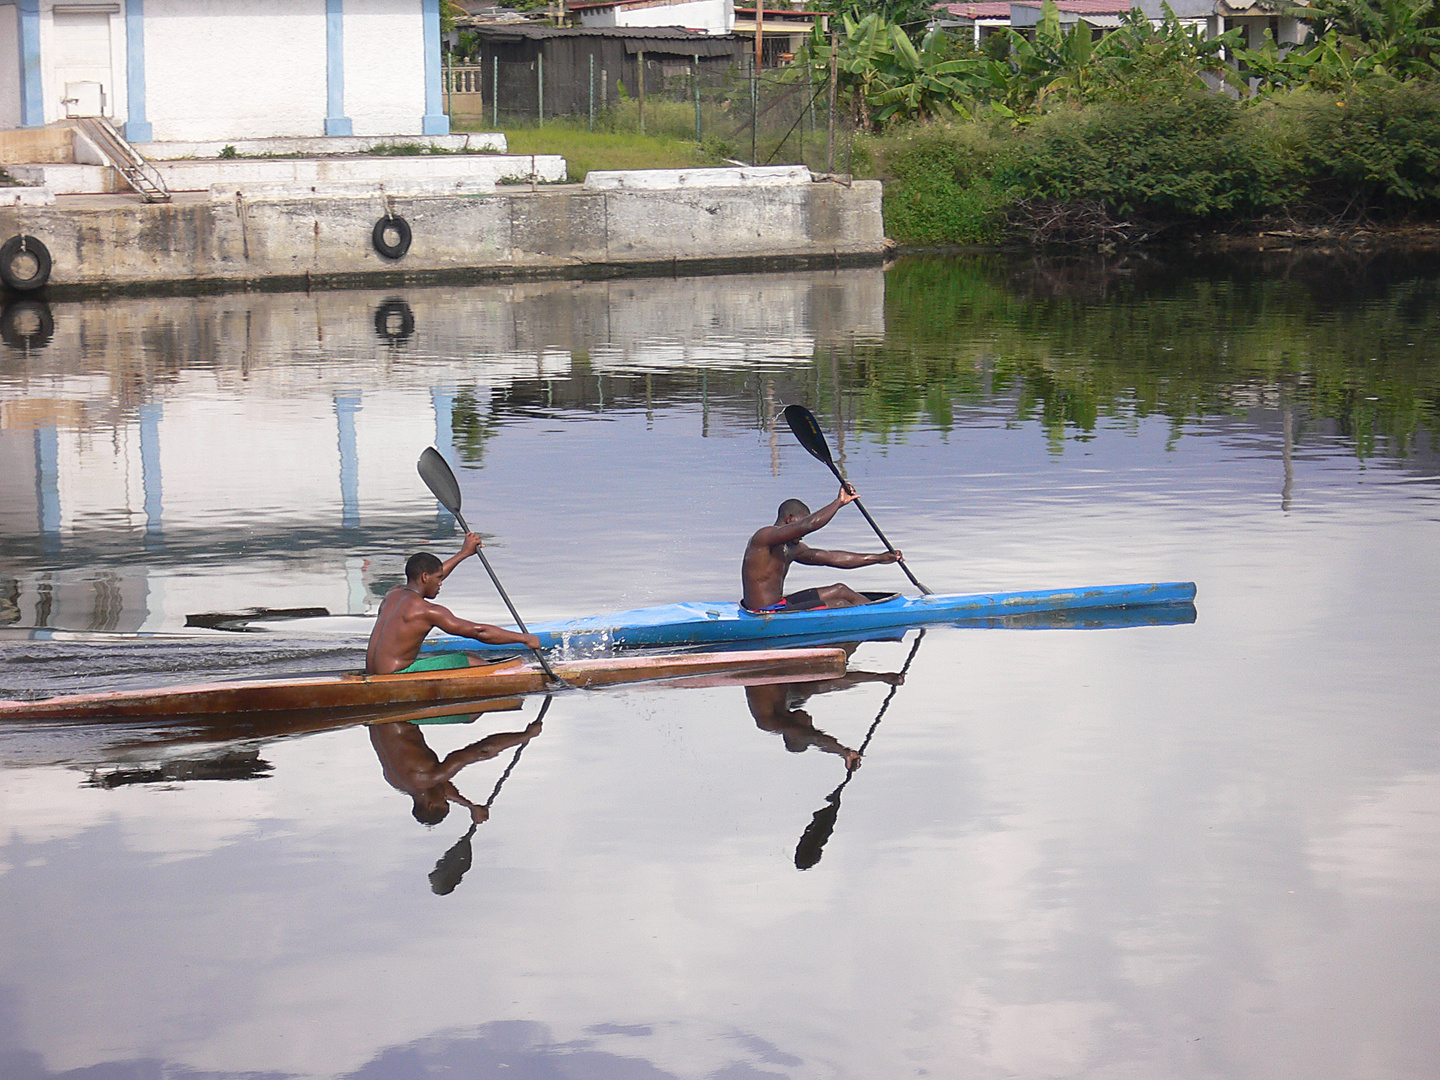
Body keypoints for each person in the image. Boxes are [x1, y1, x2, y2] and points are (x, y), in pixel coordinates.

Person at [366, 533, 541, 675]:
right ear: (425, 577)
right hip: (395, 676)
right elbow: (478, 632)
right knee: (470, 660)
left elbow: (432, 575)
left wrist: (464, 553)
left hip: (373, 672)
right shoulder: (428, 611)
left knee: (468, 658)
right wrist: (524, 638)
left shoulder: (392, 594)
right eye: (438, 579)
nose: (441, 583)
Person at [741, 485, 903, 613]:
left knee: (841, 590)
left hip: (780, 604)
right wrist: (839, 502)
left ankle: (879, 614)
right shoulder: (763, 538)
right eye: (798, 524)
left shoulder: (792, 548)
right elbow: (808, 525)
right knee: (840, 605)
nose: (802, 535)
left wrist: (879, 558)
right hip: (764, 612)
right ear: (789, 519)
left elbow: (832, 558)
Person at [370, 714, 544, 826]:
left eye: (444, 801)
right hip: (377, 717)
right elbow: (441, 787)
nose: (447, 797)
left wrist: (525, 736)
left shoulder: (428, 778)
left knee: (472, 715)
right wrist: (470, 806)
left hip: (401, 712)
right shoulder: (397, 782)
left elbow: (481, 751)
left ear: (430, 805)